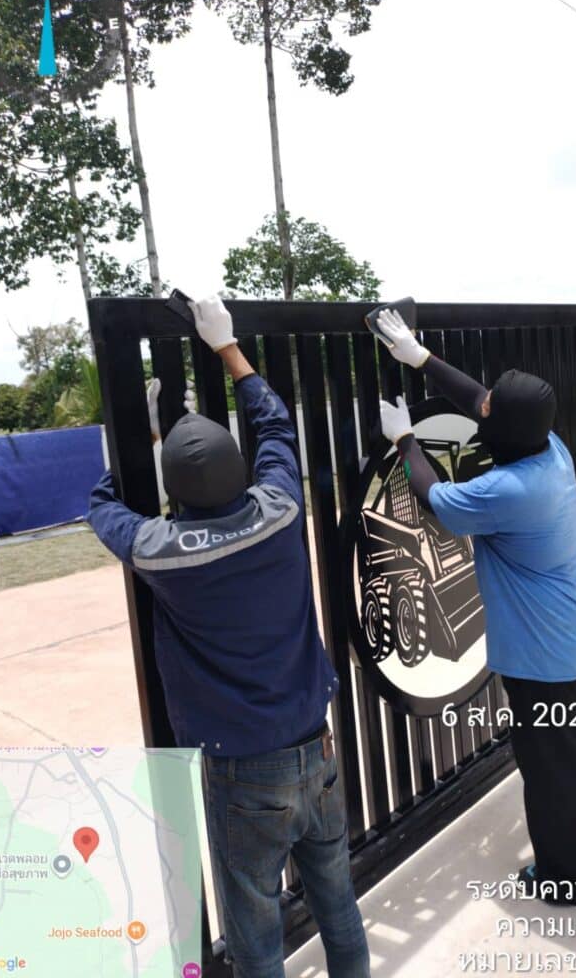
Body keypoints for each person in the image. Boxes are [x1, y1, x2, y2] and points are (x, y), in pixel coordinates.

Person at [88, 295, 370, 977]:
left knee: (254, 931)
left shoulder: (163, 549)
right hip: (317, 747)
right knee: (337, 900)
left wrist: (135, 445)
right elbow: (275, 427)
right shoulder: (279, 508)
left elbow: (103, 509)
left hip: (243, 770)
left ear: (174, 491)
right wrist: (228, 349)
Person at [376, 308, 576, 907]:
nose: (483, 413)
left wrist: (404, 439)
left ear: (504, 426)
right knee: (571, 760)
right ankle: (574, 849)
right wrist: (419, 357)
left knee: (550, 771)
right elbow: (482, 399)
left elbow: (436, 498)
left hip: (547, 660)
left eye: (490, 414)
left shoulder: (509, 490)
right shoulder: (549, 448)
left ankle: (569, 880)